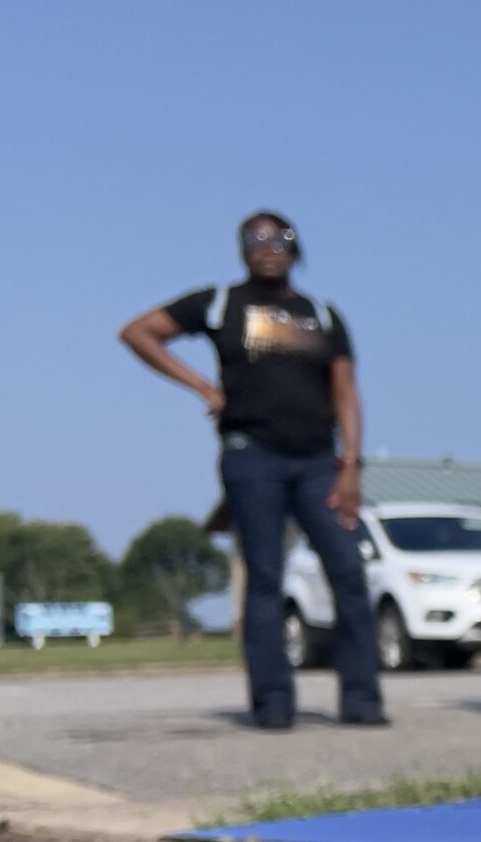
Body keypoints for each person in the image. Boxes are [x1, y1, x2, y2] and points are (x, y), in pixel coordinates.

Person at [121, 212, 383, 729]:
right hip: (253, 456)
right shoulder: (220, 304)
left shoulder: (322, 314)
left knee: (348, 572)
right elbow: (138, 333)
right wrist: (203, 388)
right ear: (242, 250)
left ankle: (361, 699)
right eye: (255, 239)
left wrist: (350, 464)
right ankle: (273, 704)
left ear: (296, 248)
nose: (268, 248)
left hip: (316, 463)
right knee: (265, 577)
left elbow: (346, 392)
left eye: (280, 239)